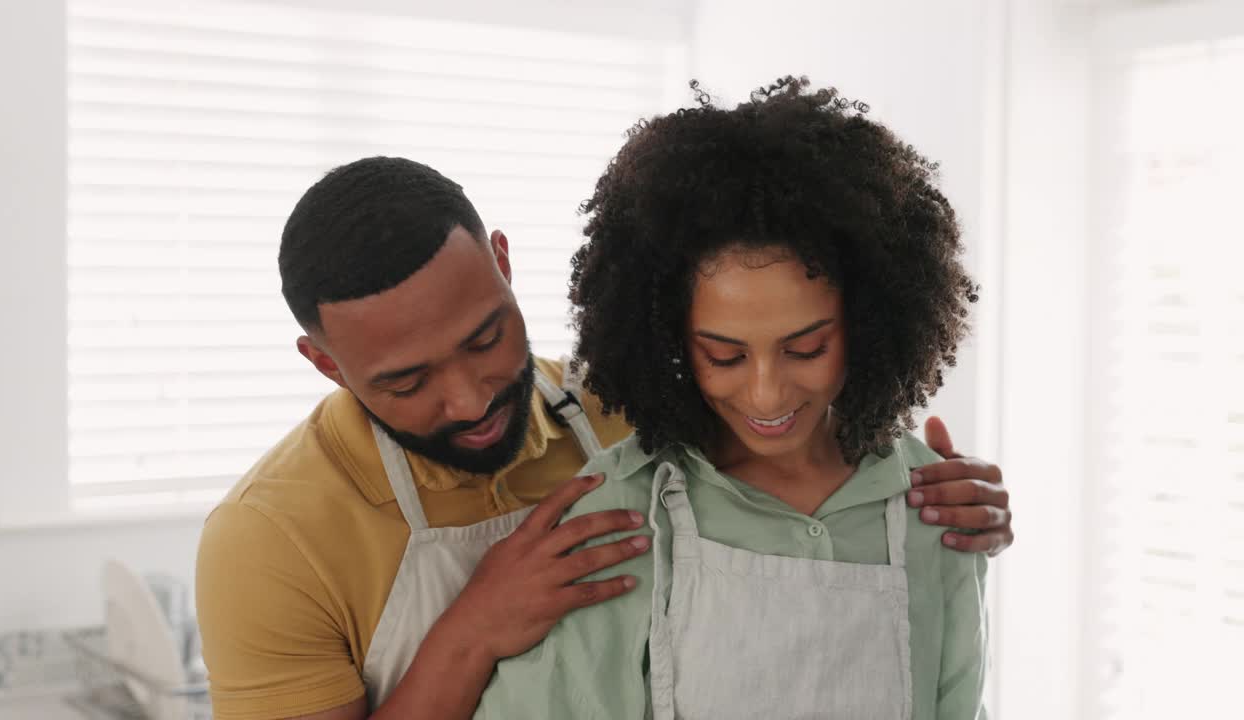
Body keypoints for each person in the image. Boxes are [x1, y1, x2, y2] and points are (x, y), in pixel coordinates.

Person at [195, 151, 1012, 719]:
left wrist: (945, 498)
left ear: (504, 265)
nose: (472, 395)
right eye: (407, 382)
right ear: (326, 363)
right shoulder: (267, 539)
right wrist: (472, 630)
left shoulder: (639, 404)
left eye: (487, 338)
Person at [475, 76, 993, 719]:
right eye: (724, 355)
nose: (768, 392)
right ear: (668, 335)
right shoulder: (621, 509)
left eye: (806, 348)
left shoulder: (934, 505)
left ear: (867, 320)